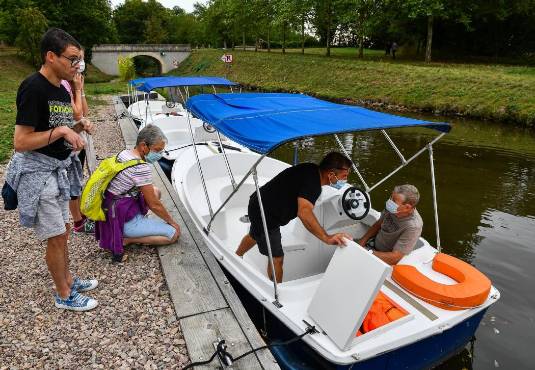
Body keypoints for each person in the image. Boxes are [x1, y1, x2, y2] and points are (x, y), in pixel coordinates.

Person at [6, 28, 98, 311]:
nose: (77, 66)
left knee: (64, 231)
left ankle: (68, 278)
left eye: (79, 60)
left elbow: (55, 129)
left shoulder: (60, 88)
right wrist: (60, 131)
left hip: (58, 169)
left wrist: (75, 128)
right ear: (50, 56)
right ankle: (63, 294)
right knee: (56, 235)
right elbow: (21, 142)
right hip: (38, 174)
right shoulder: (33, 87)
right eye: (72, 59)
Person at [235, 152, 353, 283]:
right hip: (265, 213)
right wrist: (327, 237)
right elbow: (304, 212)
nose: (345, 180)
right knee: (277, 258)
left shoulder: (311, 169)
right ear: (331, 174)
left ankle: (236, 256)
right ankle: (277, 294)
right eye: (344, 176)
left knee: (255, 234)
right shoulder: (313, 184)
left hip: (259, 202)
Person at [95, 125, 180, 263]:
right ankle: (127, 238)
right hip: (122, 219)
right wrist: (172, 222)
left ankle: (136, 225)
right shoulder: (141, 167)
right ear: (143, 145)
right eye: (157, 150)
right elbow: (154, 205)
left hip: (110, 210)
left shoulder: (124, 154)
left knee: (155, 191)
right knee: (173, 234)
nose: (159, 154)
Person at [61, 48, 95, 234]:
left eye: (81, 58)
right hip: (69, 139)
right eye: (77, 59)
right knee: (72, 180)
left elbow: (85, 111)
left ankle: (80, 215)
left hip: (78, 137)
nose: (80, 63)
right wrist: (77, 89)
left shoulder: (75, 81)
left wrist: (80, 90)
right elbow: (77, 113)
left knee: (77, 177)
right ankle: (78, 222)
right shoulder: (65, 85)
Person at [357, 184, 423, 265]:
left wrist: (366, 253)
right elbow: (378, 224)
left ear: (407, 207)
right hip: (373, 245)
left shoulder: (413, 227)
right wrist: (361, 243)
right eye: (391, 197)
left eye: (394, 200)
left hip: (385, 258)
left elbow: (395, 257)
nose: (389, 201)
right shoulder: (392, 208)